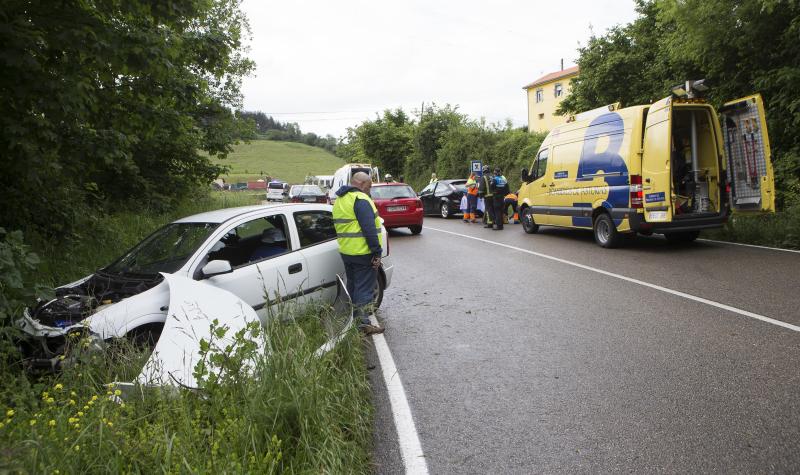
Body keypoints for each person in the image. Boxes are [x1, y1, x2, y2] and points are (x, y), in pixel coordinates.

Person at [332, 172, 385, 335]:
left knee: (354, 286)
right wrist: (377, 252)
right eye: (369, 187)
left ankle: (354, 319)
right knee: (364, 289)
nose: (369, 191)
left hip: (347, 251)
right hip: (363, 252)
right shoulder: (360, 200)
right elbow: (369, 230)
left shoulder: (340, 200)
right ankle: (363, 325)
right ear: (361, 184)